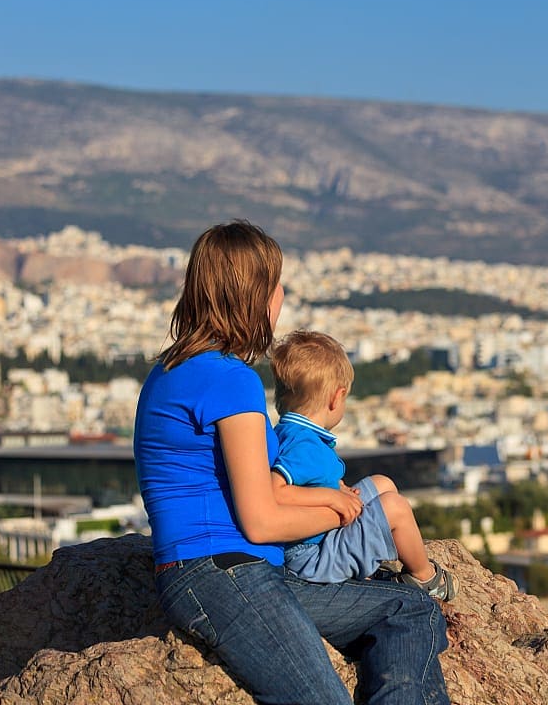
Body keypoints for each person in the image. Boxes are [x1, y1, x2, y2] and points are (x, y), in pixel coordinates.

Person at [133, 219, 450, 705]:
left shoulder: (169, 370)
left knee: (408, 608)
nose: (281, 294)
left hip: (224, 572)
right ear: (254, 294)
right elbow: (260, 521)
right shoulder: (228, 379)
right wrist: (345, 509)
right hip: (224, 573)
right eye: (275, 282)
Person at [269, 329, 456, 600]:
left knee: (382, 484)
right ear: (336, 398)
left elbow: (306, 481)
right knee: (396, 508)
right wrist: (331, 497)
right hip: (312, 557)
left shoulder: (290, 431)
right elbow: (275, 492)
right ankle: (426, 578)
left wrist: (337, 489)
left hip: (318, 538)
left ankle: (378, 552)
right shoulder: (304, 446)